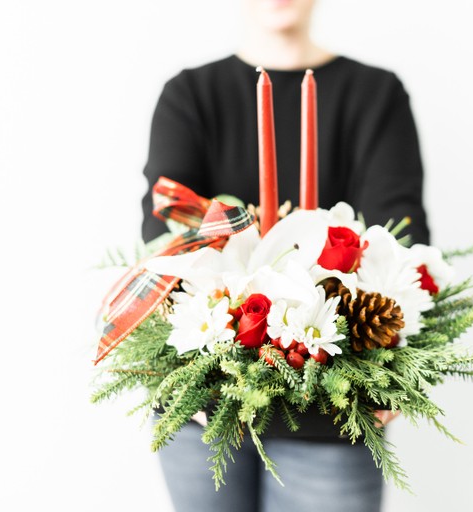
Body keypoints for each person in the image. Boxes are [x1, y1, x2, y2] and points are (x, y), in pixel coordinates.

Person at [141, 1, 428, 511]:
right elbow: (167, 236)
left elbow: (399, 237)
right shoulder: (190, 95)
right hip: (205, 406)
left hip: (334, 406)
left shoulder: (375, 95)